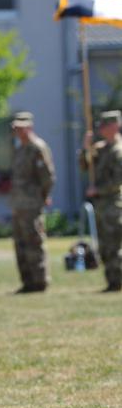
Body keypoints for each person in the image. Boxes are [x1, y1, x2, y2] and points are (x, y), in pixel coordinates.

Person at [9, 112, 55, 294]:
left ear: (30, 127)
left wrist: (43, 196)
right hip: (19, 204)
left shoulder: (38, 148)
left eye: (21, 128)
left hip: (32, 204)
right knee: (20, 244)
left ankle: (39, 281)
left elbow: (48, 177)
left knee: (34, 242)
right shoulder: (20, 149)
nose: (18, 132)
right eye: (16, 129)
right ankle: (27, 282)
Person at [83, 110, 122, 291]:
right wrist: (86, 148)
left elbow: (117, 181)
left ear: (115, 126)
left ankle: (118, 280)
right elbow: (84, 165)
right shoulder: (100, 148)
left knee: (115, 243)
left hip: (114, 204)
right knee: (105, 245)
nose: (102, 129)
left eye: (105, 126)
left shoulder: (118, 151)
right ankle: (112, 281)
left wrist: (97, 189)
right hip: (101, 205)